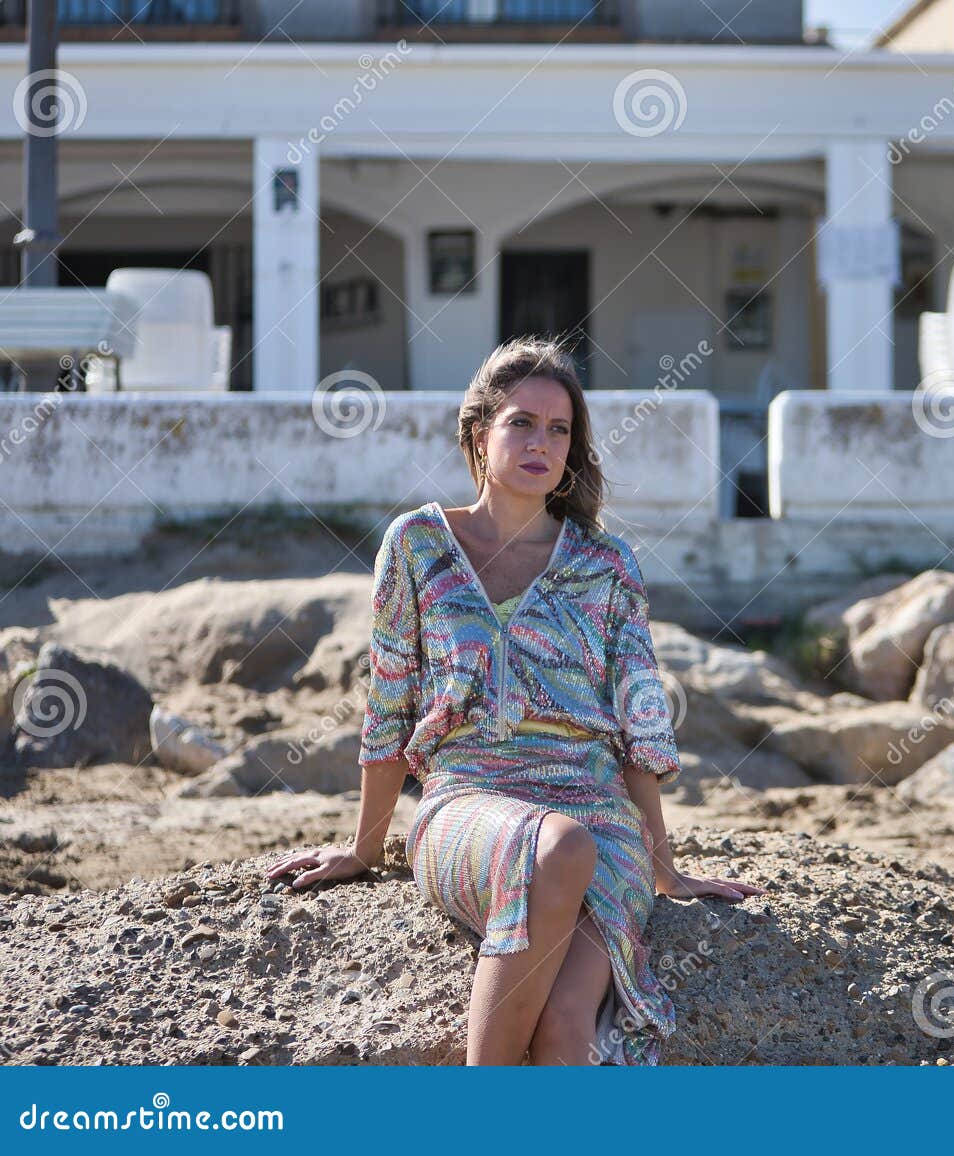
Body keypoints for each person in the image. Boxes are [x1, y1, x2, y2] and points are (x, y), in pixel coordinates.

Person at [265, 337, 763, 1065]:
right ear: (478, 435)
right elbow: (390, 701)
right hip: (468, 799)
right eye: (521, 423)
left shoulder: (605, 565)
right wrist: (365, 846)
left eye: (559, 430)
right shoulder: (418, 545)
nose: (541, 443)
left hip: (599, 817)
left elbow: (640, 722)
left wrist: (665, 865)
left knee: (567, 1028)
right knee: (558, 846)